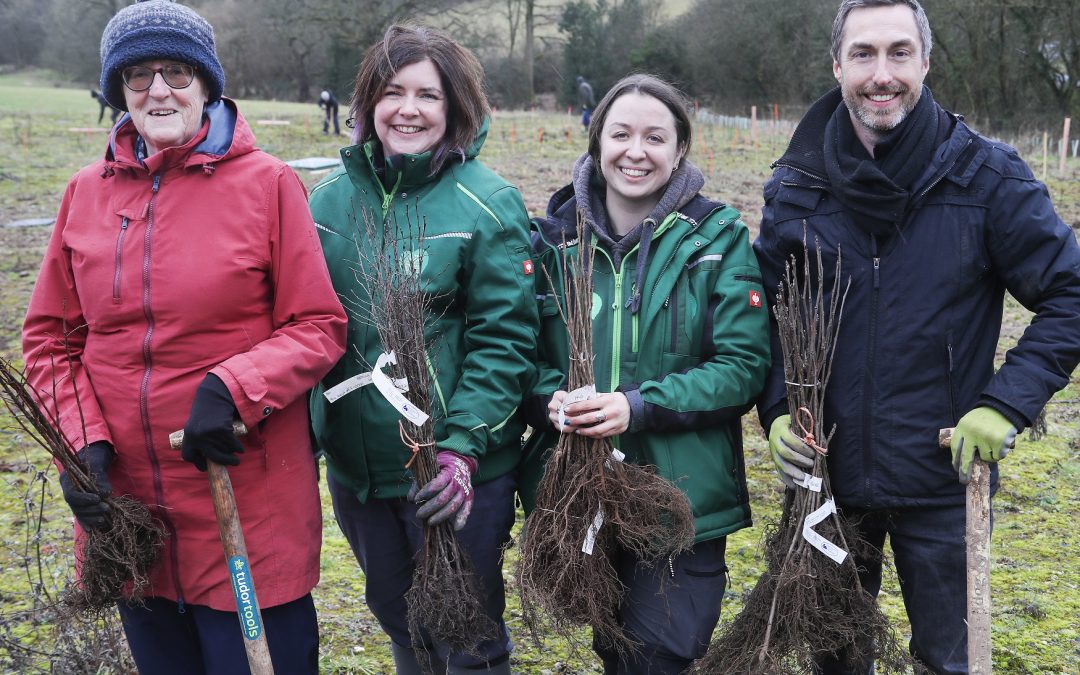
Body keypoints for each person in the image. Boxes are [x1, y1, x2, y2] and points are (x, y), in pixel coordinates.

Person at [22, 1, 348, 673]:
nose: (159, 90)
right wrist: (81, 444)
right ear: (118, 91)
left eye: (176, 71)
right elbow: (50, 339)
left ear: (206, 84)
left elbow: (319, 326)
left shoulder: (269, 185)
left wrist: (232, 387)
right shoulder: (86, 193)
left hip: (242, 505)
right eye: (138, 75)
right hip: (129, 515)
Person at [754, 1, 1080, 673]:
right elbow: (764, 313)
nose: (883, 73)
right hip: (828, 478)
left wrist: (1006, 403)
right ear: (837, 64)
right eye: (865, 54)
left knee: (949, 659)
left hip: (946, 477)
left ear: (925, 62)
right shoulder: (797, 185)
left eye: (900, 53)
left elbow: (1070, 294)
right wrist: (778, 407)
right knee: (835, 658)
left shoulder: (987, 178)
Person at [307, 24, 537, 675]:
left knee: (467, 641)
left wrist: (461, 450)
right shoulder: (327, 202)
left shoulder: (487, 204)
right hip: (360, 473)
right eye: (392, 91)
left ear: (454, 107)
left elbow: (505, 341)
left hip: (453, 476)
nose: (408, 109)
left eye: (428, 96)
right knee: (402, 625)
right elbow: (306, 329)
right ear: (367, 103)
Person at [522, 73, 771, 674]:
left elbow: (742, 367)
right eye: (621, 134)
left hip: (682, 497)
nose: (636, 151)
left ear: (679, 149)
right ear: (596, 141)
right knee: (613, 647)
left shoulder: (716, 236)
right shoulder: (551, 241)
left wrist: (636, 406)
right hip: (578, 495)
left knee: (660, 651)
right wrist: (548, 401)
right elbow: (518, 357)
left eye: (655, 137)